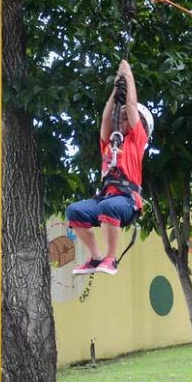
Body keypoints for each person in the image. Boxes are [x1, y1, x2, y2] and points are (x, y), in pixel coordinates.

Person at [66, 59, 153, 275]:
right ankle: (95, 258)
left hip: (126, 202)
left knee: (109, 207)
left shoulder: (136, 141)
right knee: (74, 211)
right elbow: (107, 117)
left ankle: (111, 258)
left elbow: (131, 106)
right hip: (105, 198)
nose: (122, 120)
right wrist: (115, 90)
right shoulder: (110, 143)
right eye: (120, 118)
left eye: (127, 119)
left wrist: (128, 76)